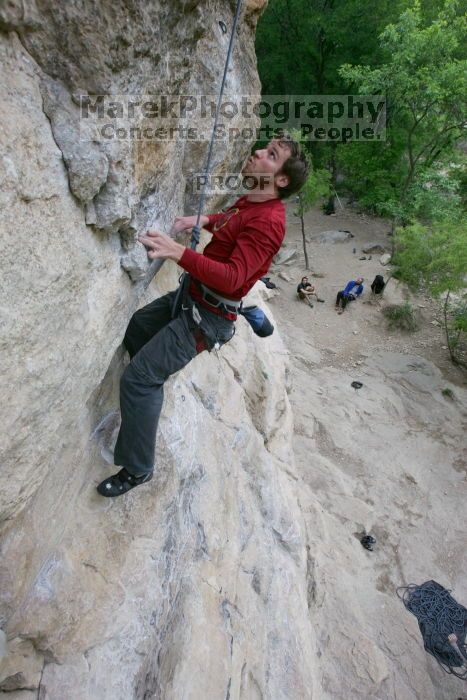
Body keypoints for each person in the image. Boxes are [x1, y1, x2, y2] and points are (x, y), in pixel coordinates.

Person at [97, 137, 309, 497]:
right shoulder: (254, 200)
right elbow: (232, 219)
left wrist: (178, 252)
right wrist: (203, 219)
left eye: (271, 156)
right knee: (137, 329)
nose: (258, 152)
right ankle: (147, 391)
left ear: (282, 180)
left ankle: (137, 469)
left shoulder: (269, 222)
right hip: (192, 298)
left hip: (206, 318)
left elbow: (233, 278)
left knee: (137, 380)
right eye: (265, 147)